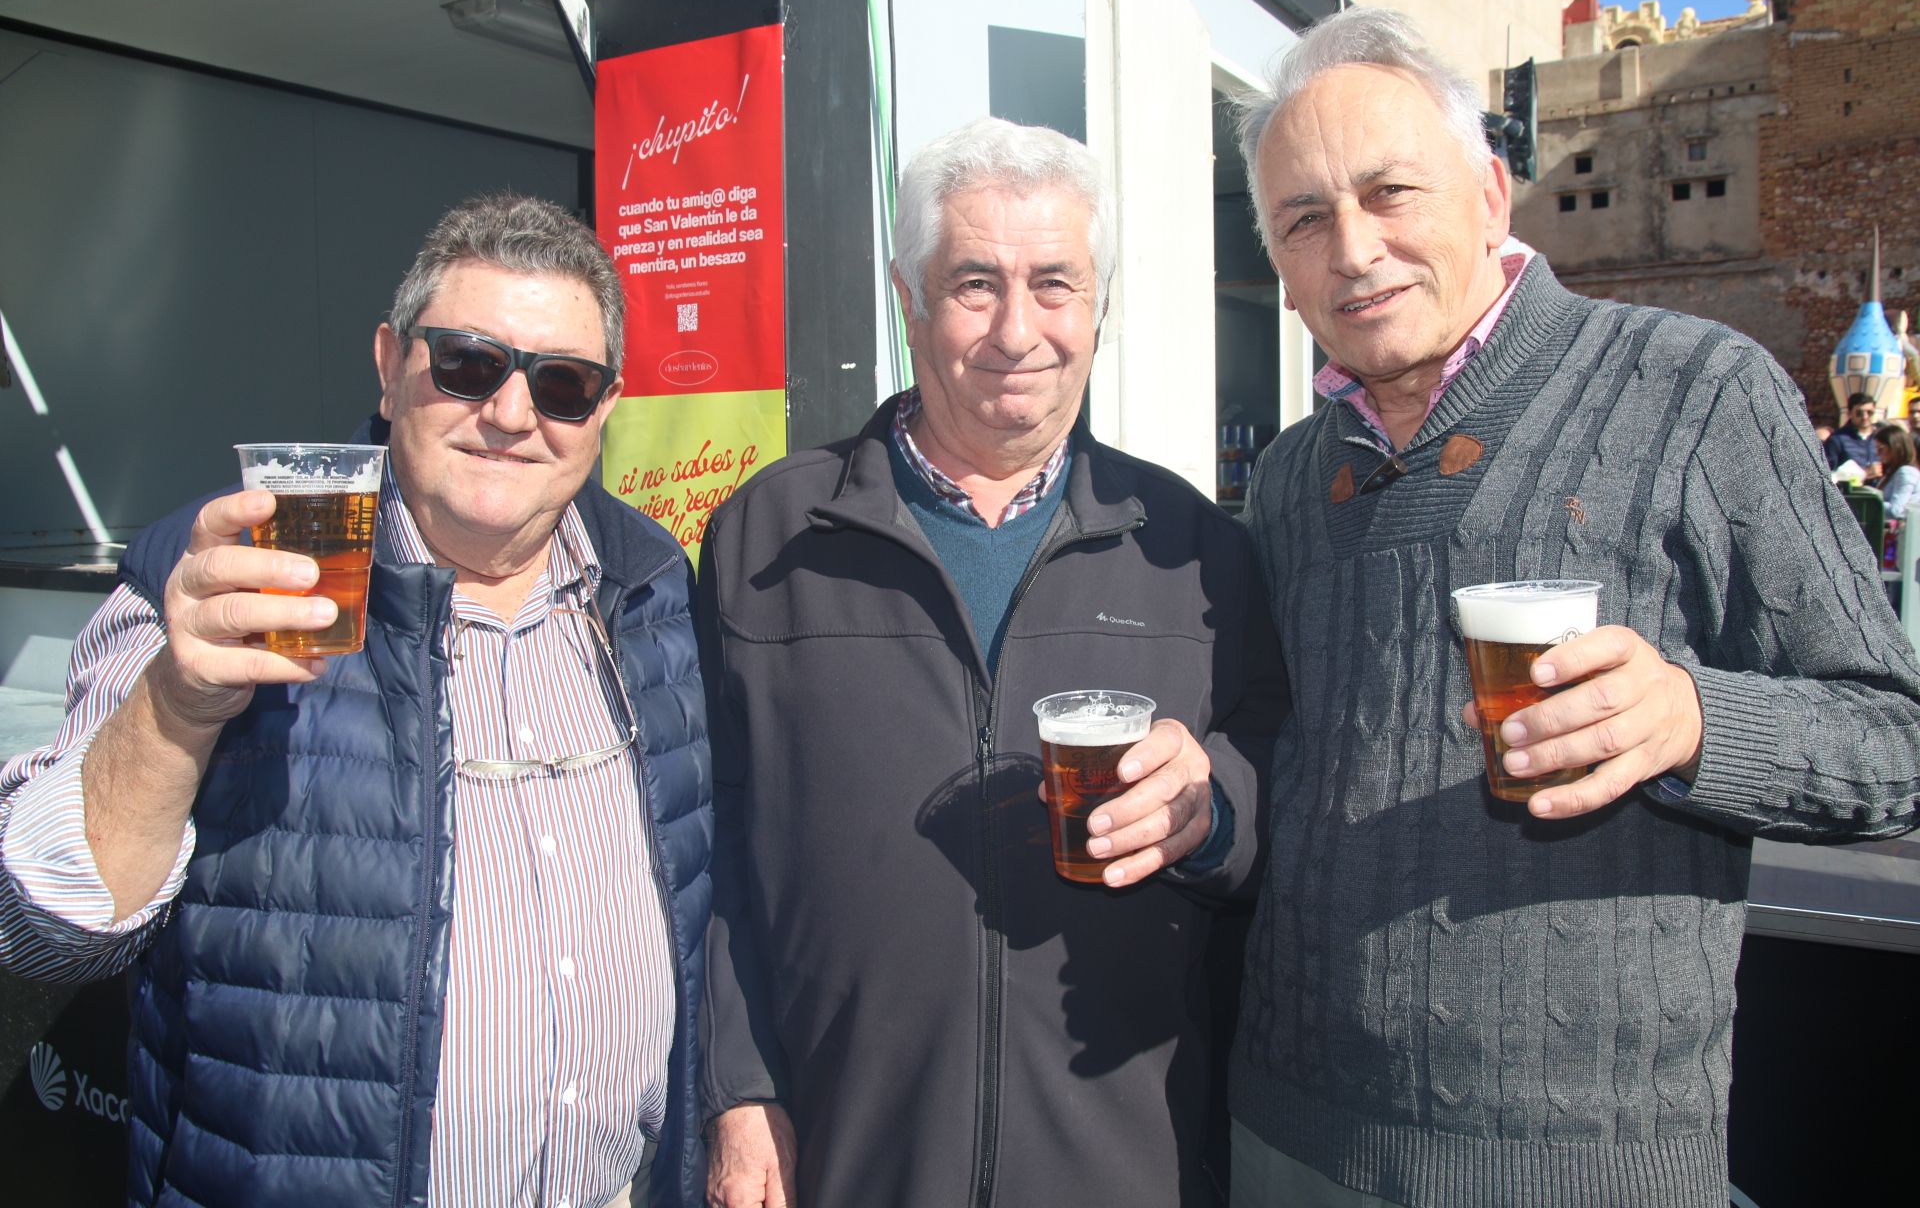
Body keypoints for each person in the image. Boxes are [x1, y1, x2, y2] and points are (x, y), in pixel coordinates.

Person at [1229, 7, 1920, 1208]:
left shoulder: (1698, 391)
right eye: (1304, 218)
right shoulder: (1290, 477)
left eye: (1392, 192)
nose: (1353, 247)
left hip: (1576, 1165)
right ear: (1278, 269)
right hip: (1284, 1133)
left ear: (1490, 194)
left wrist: (1693, 720)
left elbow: (1894, 738)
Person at [0, 195, 712, 1208]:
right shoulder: (236, 578)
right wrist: (178, 701)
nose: (511, 415)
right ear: (389, 362)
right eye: (468, 363)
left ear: (603, 410)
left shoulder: (654, 593)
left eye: (561, 383)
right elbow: (44, 932)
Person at [697, 117, 1287, 1206]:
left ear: (1098, 304)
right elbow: (712, 846)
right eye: (975, 281)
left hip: (1124, 1166)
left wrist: (1219, 808)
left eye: (1055, 282)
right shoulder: (766, 539)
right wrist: (737, 1088)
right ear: (907, 297)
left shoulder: (1194, 548)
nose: (1019, 329)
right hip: (842, 1156)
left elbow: (1265, 763)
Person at [1824, 390, 1882, 476]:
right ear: (1849, 413)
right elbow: (1828, 473)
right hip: (1852, 488)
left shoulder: (1881, 436)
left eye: (1869, 412)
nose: (1865, 417)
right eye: (1859, 413)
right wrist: (1865, 473)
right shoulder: (1837, 439)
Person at [1875, 422, 1920, 519]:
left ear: (1895, 447)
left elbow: (1896, 510)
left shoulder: (1906, 472)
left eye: (1881, 449)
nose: (1877, 454)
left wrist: (1870, 501)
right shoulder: (1891, 472)